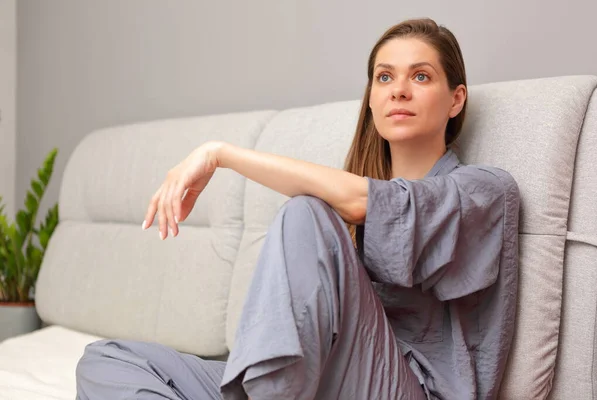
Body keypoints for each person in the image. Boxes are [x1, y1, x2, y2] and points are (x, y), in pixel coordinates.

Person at [75, 17, 520, 400]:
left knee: (307, 213)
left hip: (407, 389)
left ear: (456, 99)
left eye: (420, 76)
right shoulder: (352, 204)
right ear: (370, 97)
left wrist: (219, 153)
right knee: (107, 360)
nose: (398, 90)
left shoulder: (485, 192)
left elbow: (372, 203)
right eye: (384, 77)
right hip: (319, 380)